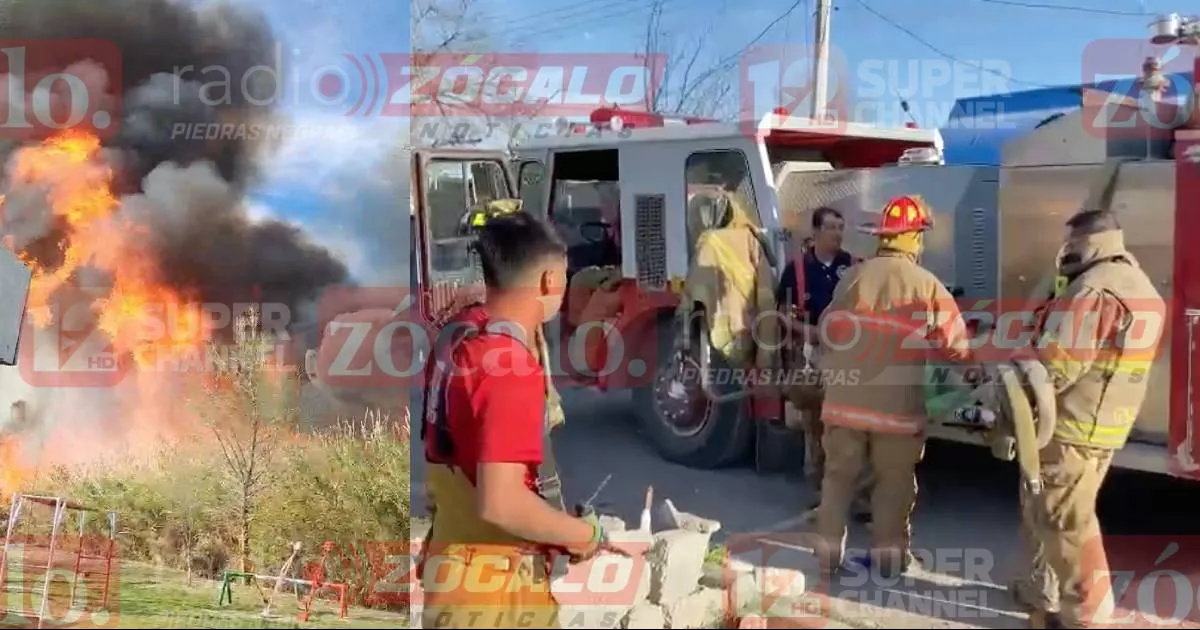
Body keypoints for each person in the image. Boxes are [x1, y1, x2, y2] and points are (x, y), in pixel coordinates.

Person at [419, 211, 614, 629]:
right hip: (494, 592)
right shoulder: (509, 367)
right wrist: (584, 536)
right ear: (549, 280)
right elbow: (502, 502)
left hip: (453, 566)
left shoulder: (456, 334)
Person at [1011, 210, 1163, 629]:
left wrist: (1007, 397)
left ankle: (1087, 616)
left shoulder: (1094, 288)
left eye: (1072, 243)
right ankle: (1040, 590)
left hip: (1074, 426)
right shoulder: (1139, 283)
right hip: (1107, 426)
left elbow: (1058, 365)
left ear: (1087, 242)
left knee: (1066, 522)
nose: (1067, 251)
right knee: (1056, 511)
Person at [814, 194, 972, 578]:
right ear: (915, 238)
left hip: (843, 407)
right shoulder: (928, 286)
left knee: (837, 483)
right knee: (892, 487)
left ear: (884, 237)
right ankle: (888, 563)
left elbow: (827, 330)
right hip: (897, 414)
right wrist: (974, 374)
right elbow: (957, 349)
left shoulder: (853, 276)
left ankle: (827, 562)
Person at [775, 207, 871, 522]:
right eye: (831, 227)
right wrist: (812, 333)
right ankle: (822, 497)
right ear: (815, 231)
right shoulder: (797, 270)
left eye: (841, 227)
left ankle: (855, 496)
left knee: (852, 430)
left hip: (849, 358)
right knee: (817, 429)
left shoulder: (854, 268)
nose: (838, 233)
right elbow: (782, 315)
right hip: (814, 359)